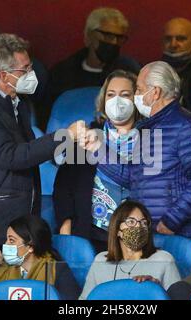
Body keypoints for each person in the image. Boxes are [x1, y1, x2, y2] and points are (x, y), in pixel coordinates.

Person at [0, 33, 85, 248]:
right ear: (4, 76)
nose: (31, 74)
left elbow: (29, 152)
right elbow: (10, 156)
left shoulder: (18, 103)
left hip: (16, 211)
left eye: (30, 66)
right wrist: (65, 136)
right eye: (24, 70)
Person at [87, 61, 191, 253]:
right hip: (151, 233)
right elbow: (132, 177)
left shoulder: (185, 126)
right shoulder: (148, 130)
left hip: (179, 235)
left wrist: (172, 221)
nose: (137, 96)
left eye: (139, 90)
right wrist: (97, 148)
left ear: (155, 92)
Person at [53, 70, 140, 253]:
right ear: (103, 101)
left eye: (125, 95)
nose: (117, 101)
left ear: (136, 100)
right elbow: (63, 186)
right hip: (90, 234)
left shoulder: (150, 139)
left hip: (134, 237)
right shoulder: (85, 136)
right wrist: (65, 226)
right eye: (111, 95)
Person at [39, 7, 141, 130]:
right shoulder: (62, 73)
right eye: (107, 35)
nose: (114, 42)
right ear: (89, 36)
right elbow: (46, 118)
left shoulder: (129, 71)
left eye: (119, 38)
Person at [79, 200, 181, 300]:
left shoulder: (163, 259)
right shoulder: (101, 260)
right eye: (131, 222)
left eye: (143, 223)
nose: (138, 226)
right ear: (117, 230)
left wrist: (156, 289)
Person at [0, 215, 80, 300]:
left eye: (11, 240)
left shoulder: (56, 269)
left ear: (30, 247)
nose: (5, 245)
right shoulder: (0, 268)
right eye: (6, 239)